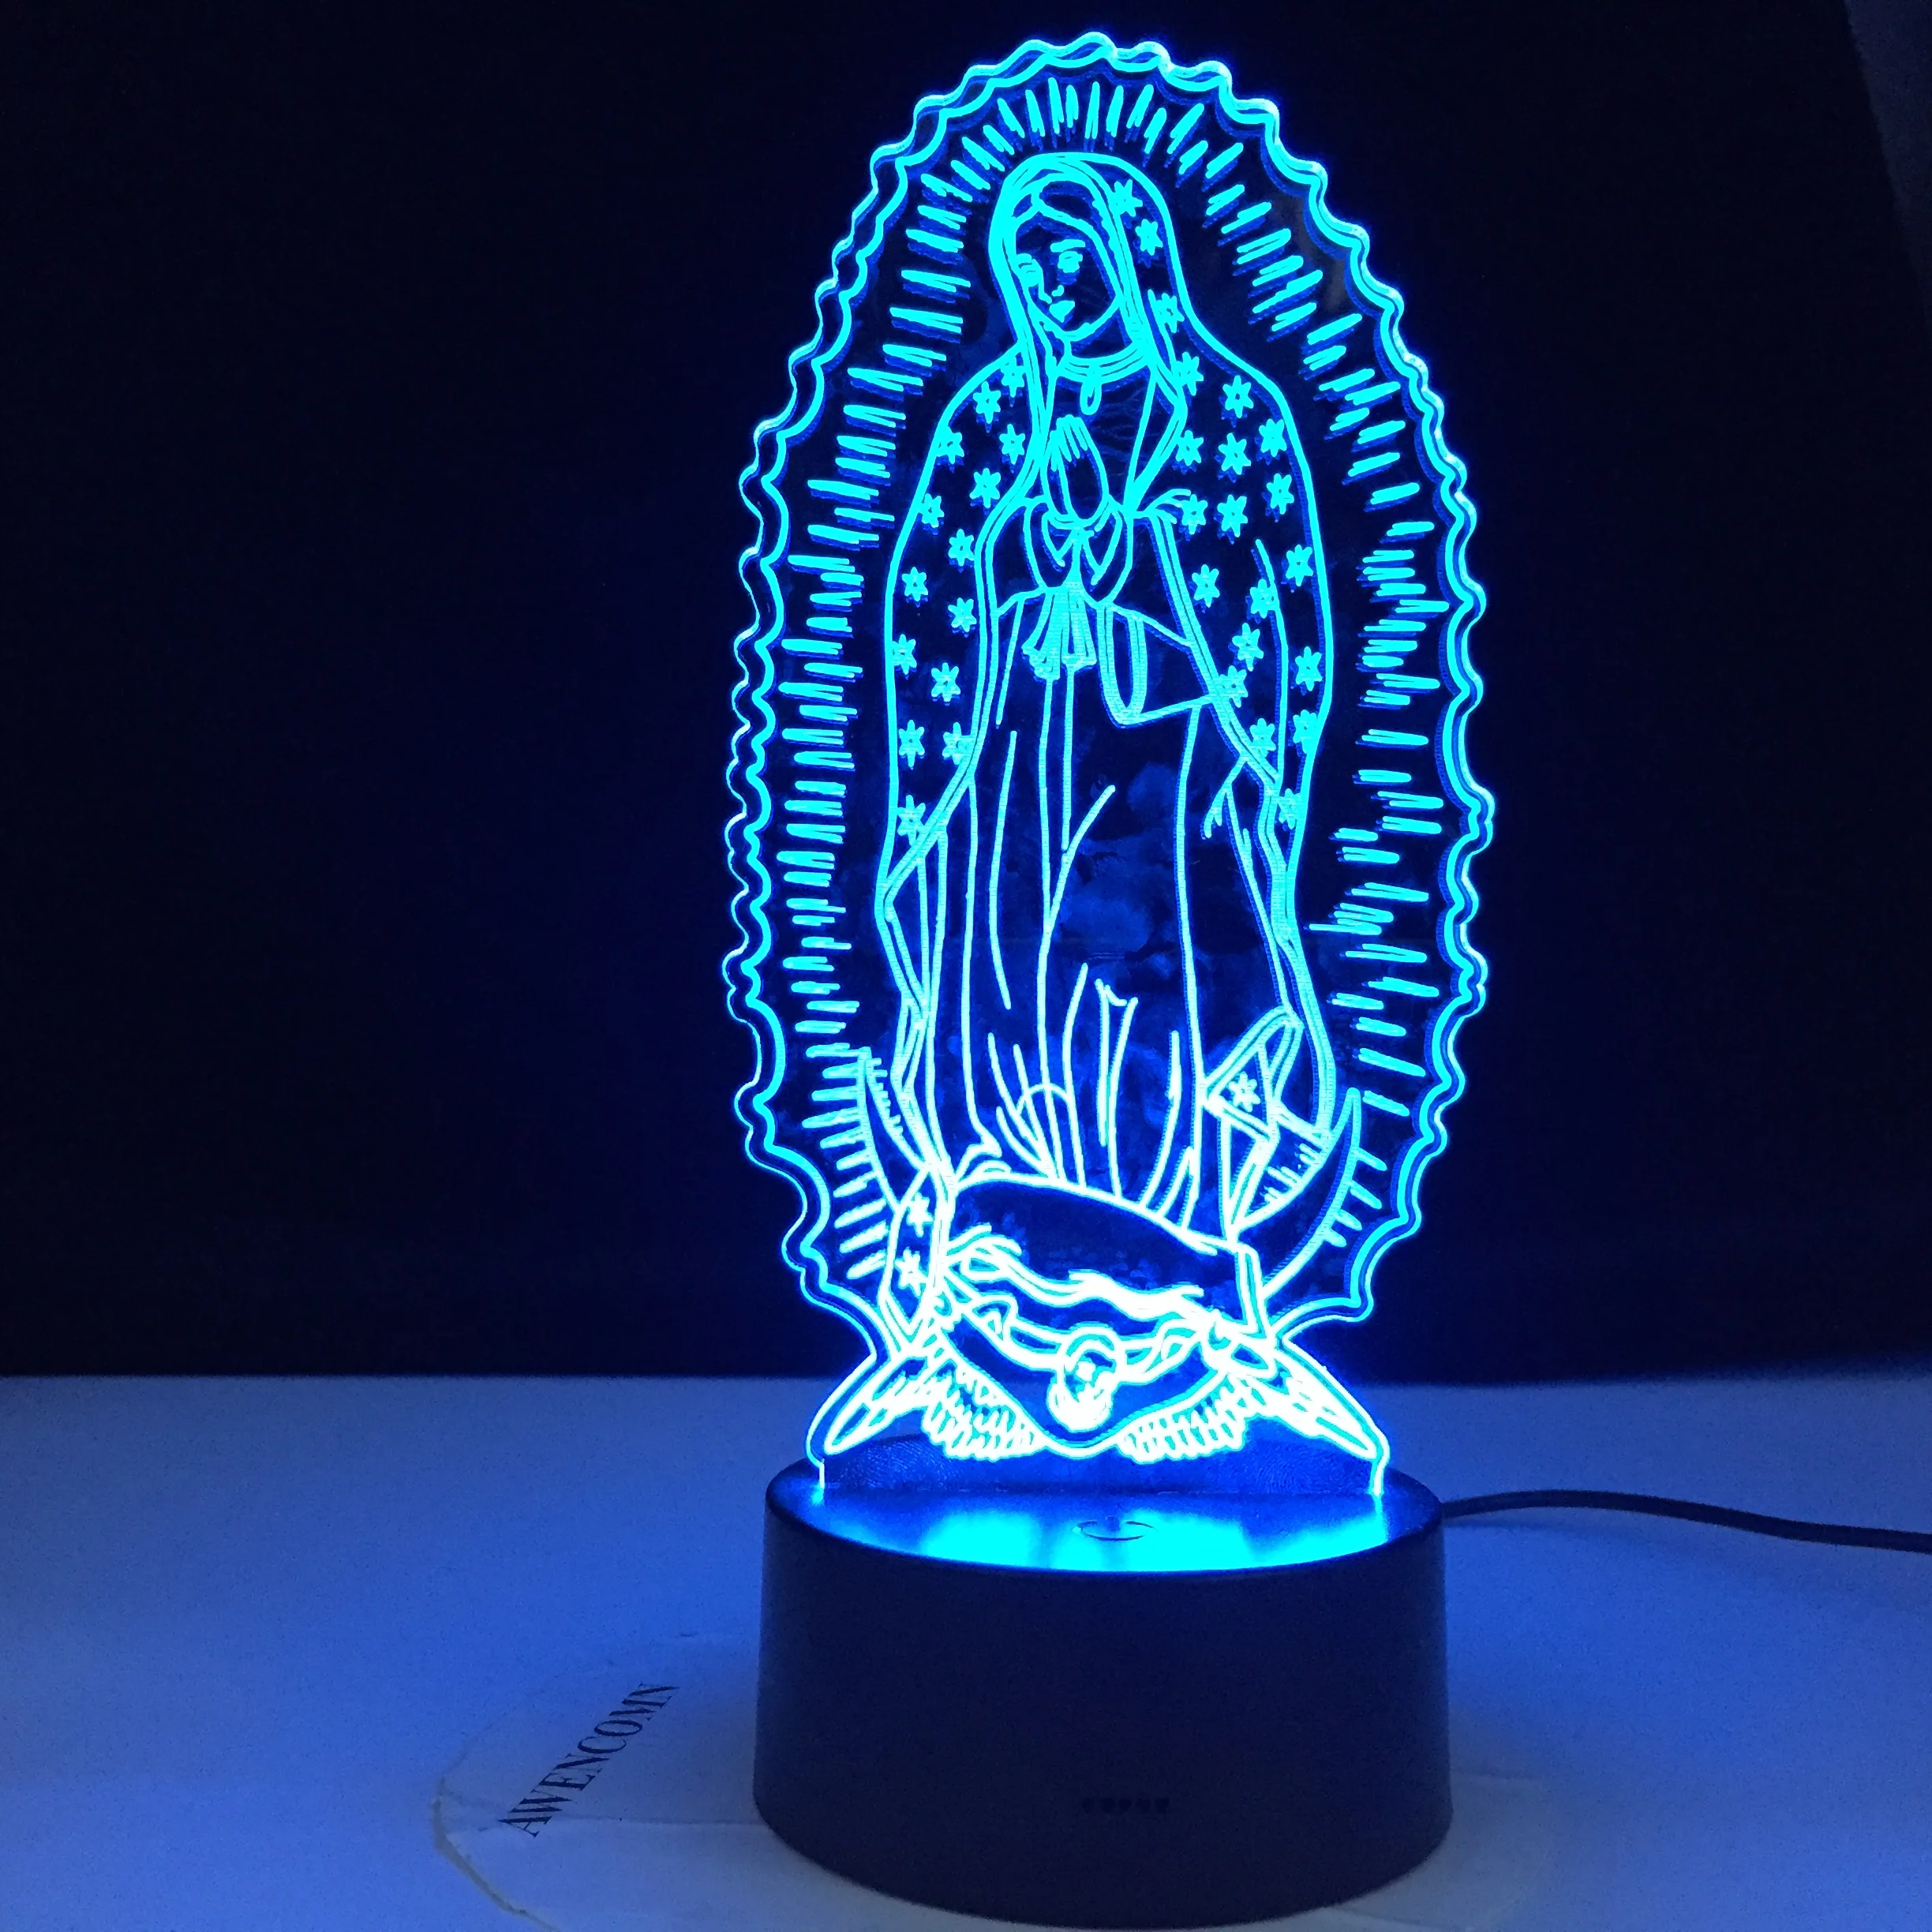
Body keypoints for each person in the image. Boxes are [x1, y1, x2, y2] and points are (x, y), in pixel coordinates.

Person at [825, 151, 1383, 1476]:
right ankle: (1001, 1217)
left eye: (1076, 258)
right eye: (1029, 267)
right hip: (1018, 768)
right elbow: (931, 606)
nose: (1055, 286)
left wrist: (1142, 566)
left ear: (1136, 263)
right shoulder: (990, 418)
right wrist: (1029, 566)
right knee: (1009, 976)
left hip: (1163, 781)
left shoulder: (1227, 417)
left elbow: (1278, 631)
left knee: (1150, 985)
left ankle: (1166, 1223)